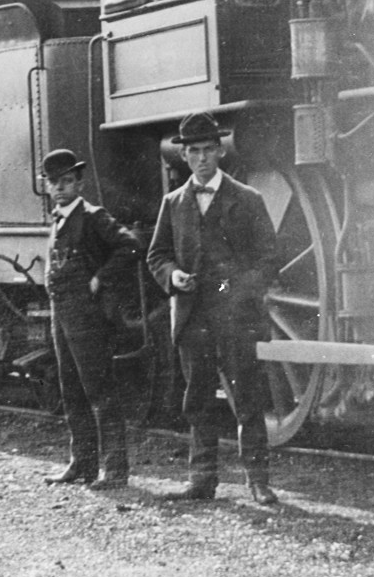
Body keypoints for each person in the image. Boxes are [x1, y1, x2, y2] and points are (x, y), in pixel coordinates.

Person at [144, 113, 280, 503]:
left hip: (237, 317)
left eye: (208, 150)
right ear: (184, 156)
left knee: (247, 399)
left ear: (221, 151)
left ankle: (258, 481)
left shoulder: (248, 199)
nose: (201, 158)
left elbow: (269, 258)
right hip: (193, 317)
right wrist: (173, 276)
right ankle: (202, 479)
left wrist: (238, 288)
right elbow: (157, 255)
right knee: (198, 400)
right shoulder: (173, 203)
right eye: (194, 151)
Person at [39, 147, 139, 489]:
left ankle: (115, 469)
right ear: (47, 186)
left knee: (100, 390)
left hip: (87, 315)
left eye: (67, 181)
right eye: (54, 182)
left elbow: (130, 245)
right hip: (61, 314)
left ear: (79, 183)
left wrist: (101, 278)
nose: (60, 187)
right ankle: (82, 463)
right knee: (71, 390)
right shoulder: (57, 220)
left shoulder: (93, 217)